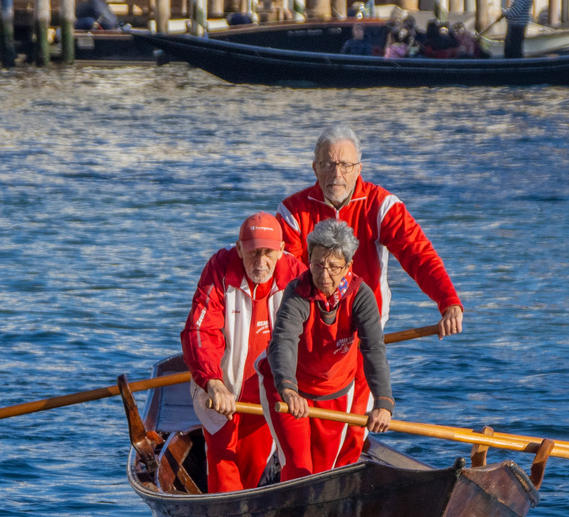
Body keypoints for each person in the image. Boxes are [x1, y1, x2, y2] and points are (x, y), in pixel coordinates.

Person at [277, 125, 464, 337]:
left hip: (366, 329)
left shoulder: (382, 206)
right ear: (315, 168)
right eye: (328, 165)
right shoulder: (291, 212)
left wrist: (449, 303)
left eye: (345, 165)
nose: (337, 174)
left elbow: (419, 256)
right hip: (309, 330)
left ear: (358, 169)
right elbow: (289, 276)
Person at [178, 213, 305, 493]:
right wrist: (213, 382)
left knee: (251, 472)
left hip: (268, 395)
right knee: (224, 467)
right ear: (239, 249)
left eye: (268, 252)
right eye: (253, 252)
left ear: (282, 250)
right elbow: (200, 331)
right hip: (221, 390)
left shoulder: (296, 275)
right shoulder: (220, 268)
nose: (261, 262)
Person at [265, 219, 390, 479]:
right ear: (309, 259)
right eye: (318, 265)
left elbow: (373, 348)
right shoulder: (298, 291)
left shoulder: (361, 295)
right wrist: (288, 389)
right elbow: (284, 340)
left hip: (334, 390)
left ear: (348, 266)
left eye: (333, 267)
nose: (324, 275)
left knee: (323, 473)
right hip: (290, 390)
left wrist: (383, 403)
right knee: (299, 469)